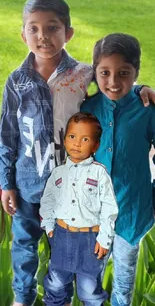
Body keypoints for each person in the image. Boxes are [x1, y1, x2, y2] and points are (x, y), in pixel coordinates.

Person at [0, 0, 154, 306]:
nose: (43, 36)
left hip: (89, 197)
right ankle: (24, 299)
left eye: (53, 28)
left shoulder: (83, 75)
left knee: (78, 262)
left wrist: (144, 89)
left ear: (68, 33)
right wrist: (6, 182)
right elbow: (7, 135)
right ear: (23, 34)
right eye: (34, 29)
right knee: (28, 251)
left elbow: (118, 86)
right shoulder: (17, 81)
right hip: (32, 186)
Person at [81, 33, 155, 306]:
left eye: (124, 73)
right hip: (91, 217)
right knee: (90, 285)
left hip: (130, 215)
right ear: (95, 72)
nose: (113, 81)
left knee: (122, 289)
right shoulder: (86, 109)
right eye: (104, 72)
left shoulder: (147, 109)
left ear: (136, 71)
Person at [40, 112, 118, 306]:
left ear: (96, 146)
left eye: (85, 139)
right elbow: (48, 200)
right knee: (56, 284)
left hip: (90, 240)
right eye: (72, 136)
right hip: (62, 235)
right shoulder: (58, 173)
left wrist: (104, 238)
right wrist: (49, 226)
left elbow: (109, 208)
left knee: (89, 289)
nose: (77, 143)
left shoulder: (99, 173)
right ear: (65, 139)